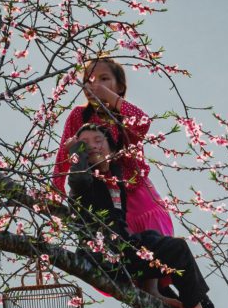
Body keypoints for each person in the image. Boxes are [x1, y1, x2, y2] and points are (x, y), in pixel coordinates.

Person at [64, 124, 220, 308]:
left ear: (110, 147)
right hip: (105, 256)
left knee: (152, 238)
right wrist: (76, 154)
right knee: (177, 249)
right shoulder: (84, 182)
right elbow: (78, 179)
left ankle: (159, 295)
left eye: (98, 140)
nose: (92, 146)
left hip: (122, 248)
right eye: (84, 144)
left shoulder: (115, 177)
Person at [52, 55, 177, 236]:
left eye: (104, 79)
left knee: (155, 246)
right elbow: (63, 157)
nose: (95, 85)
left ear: (119, 87)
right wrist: (55, 193)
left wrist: (110, 97)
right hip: (99, 194)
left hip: (134, 192)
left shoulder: (123, 117)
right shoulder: (79, 116)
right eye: (89, 80)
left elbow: (142, 122)